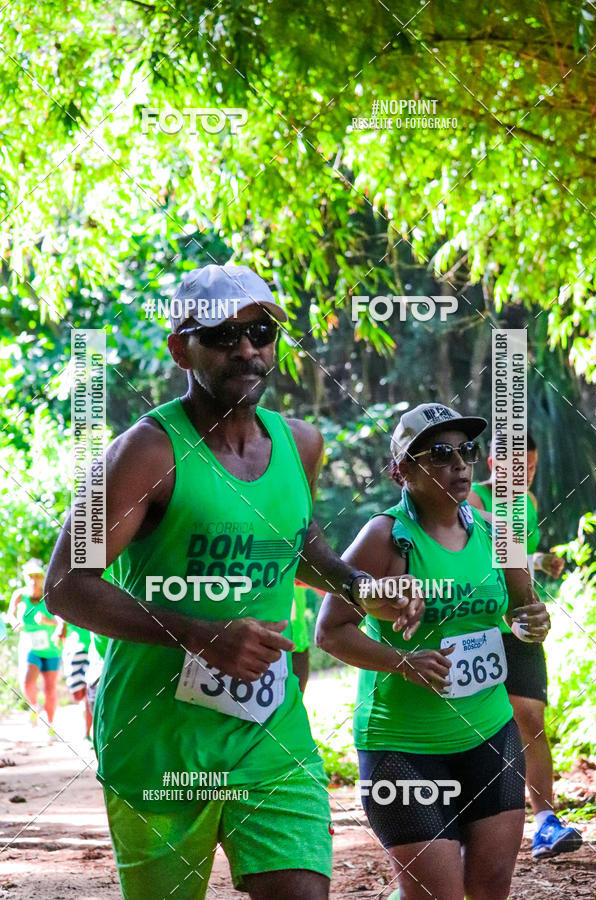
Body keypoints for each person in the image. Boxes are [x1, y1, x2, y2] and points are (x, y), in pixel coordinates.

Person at [45, 264, 422, 900]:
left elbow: (297, 544)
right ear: (179, 348)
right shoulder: (146, 453)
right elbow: (66, 584)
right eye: (223, 335)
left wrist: (360, 585)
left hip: (270, 730)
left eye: (261, 331)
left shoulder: (301, 442)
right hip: (160, 739)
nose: (247, 348)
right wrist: (200, 636)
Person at [316, 403, 551, 900]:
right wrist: (403, 663)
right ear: (402, 469)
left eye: (467, 451)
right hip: (403, 748)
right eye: (441, 454)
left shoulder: (497, 533)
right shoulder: (385, 537)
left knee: (490, 888)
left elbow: (524, 612)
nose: (460, 465)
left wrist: (534, 621)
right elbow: (331, 632)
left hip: (490, 734)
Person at [469, 432, 581, 859]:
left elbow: (513, 556)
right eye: (519, 466)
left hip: (523, 624)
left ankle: (545, 822)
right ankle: (474, 822)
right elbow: (481, 552)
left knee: (531, 718)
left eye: (531, 467)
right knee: (480, 726)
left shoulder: (529, 506)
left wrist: (536, 562)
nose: (526, 474)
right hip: (480, 628)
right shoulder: (475, 502)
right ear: (495, 464)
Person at [7, 559, 62, 733]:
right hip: (30, 645)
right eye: (30, 577)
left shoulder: (50, 595)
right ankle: (35, 706)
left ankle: (51, 727)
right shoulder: (19, 595)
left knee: (50, 687)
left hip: (51, 648)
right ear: (25, 578)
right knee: (27, 680)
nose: (33, 580)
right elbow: (10, 614)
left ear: (42, 578)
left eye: (37, 576)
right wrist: (15, 622)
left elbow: (61, 621)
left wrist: (47, 621)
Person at [59, 621, 93, 740]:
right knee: (78, 696)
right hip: (73, 650)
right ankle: (85, 707)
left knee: (90, 692)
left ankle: (87, 734)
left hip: (92, 650)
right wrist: (61, 624)